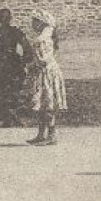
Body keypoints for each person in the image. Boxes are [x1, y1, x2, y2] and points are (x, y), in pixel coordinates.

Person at [23, 9, 67, 145]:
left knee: (47, 104)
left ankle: (51, 135)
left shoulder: (41, 40)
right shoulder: (46, 38)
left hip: (45, 74)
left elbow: (43, 60)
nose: (32, 24)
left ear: (41, 23)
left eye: (34, 21)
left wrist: (30, 64)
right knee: (42, 104)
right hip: (47, 72)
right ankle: (41, 134)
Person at [0, 8, 30, 127]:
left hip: (13, 64)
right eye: (2, 17)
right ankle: (4, 117)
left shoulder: (16, 32)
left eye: (6, 17)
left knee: (14, 90)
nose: (4, 20)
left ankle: (13, 115)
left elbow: (26, 46)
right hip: (0, 64)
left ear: (10, 19)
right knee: (0, 90)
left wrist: (23, 60)